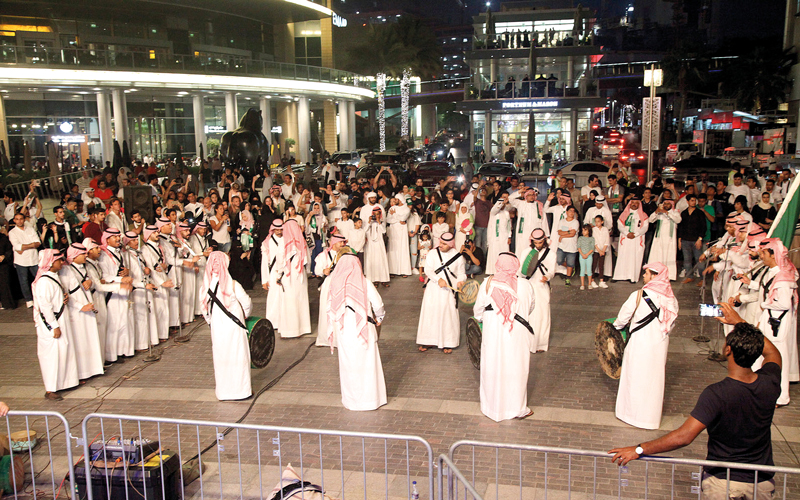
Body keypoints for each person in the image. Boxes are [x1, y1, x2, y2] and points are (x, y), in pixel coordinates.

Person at [609, 304, 781, 500]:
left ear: (727, 350)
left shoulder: (717, 394)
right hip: (762, 482)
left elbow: (684, 436)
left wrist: (639, 449)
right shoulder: (770, 382)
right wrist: (741, 323)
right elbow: (773, 353)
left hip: (722, 483)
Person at [612, 262, 678, 429]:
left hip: (639, 343)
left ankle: (630, 415)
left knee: (634, 377)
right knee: (653, 380)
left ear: (654, 276)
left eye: (646, 273)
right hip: (659, 345)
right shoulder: (671, 298)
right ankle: (649, 419)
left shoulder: (638, 295)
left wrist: (615, 328)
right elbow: (671, 324)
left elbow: (622, 318)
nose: (643, 275)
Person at [474, 252, 535, 421]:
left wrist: (486, 318)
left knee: (492, 366)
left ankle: (491, 408)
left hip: (492, 332)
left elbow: (478, 310)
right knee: (516, 368)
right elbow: (531, 307)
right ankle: (517, 409)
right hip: (517, 332)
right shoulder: (525, 284)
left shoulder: (487, 283)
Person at [327, 252, 387, 411]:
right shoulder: (365, 282)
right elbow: (378, 304)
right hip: (364, 328)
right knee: (367, 364)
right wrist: (380, 318)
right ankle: (370, 400)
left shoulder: (335, 283)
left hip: (344, 330)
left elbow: (330, 308)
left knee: (349, 364)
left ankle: (351, 401)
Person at [200, 251, 253, 401]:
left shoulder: (205, 287)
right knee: (238, 357)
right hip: (235, 327)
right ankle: (241, 391)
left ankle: (224, 392)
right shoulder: (233, 285)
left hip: (217, 329)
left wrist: (212, 322)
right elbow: (247, 304)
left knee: (221, 358)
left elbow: (204, 310)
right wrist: (244, 317)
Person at [756, 238, 799, 406]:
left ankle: (781, 396)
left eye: (763, 253)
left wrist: (763, 304)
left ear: (773, 255)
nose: (760, 256)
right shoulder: (773, 272)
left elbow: (784, 304)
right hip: (771, 320)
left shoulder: (783, 277)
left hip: (778, 323)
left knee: (779, 358)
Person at [32, 249, 79, 400]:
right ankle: (50, 389)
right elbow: (44, 306)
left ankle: (64, 383)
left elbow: (54, 299)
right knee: (51, 356)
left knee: (63, 351)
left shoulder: (54, 277)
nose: (61, 263)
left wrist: (62, 299)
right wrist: (54, 325)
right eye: (58, 260)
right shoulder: (44, 281)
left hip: (60, 319)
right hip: (51, 324)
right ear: (51, 263)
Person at [60, 243, 104, 381]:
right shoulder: (66, 271)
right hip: (77, 312)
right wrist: (80, 306)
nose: (86, 255)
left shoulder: (86, 266)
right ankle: (81, 373)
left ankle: (93, 369)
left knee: (90, 338)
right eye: (82, 254)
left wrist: (90, 281)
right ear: (74, 256)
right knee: (80, 341)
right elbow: (66, 295)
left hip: (88, 307)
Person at [416, 233, 466, 354]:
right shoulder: (433, 253)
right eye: (440, 242)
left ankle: (448, 342)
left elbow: (461, 273)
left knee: (447, 315)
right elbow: (428, 270)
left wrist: (460, 282)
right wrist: (438, 280)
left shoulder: (458, 257)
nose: (441, 245)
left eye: (444, 244)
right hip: (433, 289)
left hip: (449, 290)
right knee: (430, 313)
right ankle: (428, 340)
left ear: (450, 244)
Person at [518, 228, 557, 352]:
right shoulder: (526, 252)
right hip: (528, 285)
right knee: (528, 314)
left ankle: (540, 344)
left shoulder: (551, 254)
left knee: (543, 314)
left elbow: (552, 270)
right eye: (536, 243)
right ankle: (526, 343)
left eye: (540, 243)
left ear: (544, 241)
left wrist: (547, 276)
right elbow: (520, 270)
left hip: (541, 286)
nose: (538, 245)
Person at [98, 228, 134, 362]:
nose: (118, 239)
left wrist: (126, 272)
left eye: (119, 237)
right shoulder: (103, 255)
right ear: (107, 239)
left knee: (124, 321)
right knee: (114, 324)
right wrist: (120, 279)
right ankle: (112, 355)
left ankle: (123, 350)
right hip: (112, 293)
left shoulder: (121, 253)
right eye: (115, 237)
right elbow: (103, 276)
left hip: (122, 291)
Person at [277, 219, 312, 338]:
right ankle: (302, 328)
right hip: (300, 276)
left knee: (289, 302)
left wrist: (278, 275)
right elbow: (308, 260)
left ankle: (290, 331)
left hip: (289, 275)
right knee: (300, 301)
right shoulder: (302, 241)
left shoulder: (283, 241)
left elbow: (280, 260)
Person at [315, 233, 347, 348]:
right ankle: (325, 339)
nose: (343, 244)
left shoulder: (345, 255)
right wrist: (323, 271)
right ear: (334, 243)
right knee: (326, 310)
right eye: (341, 242)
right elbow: (317, 270)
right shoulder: (323, 256)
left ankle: (340, 339)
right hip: (328, 285)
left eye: (344, 242)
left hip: (342, 284)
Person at [612, 198, 649, 283]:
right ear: (629, 204)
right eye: (632, 203)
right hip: (626, 238)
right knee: (623, 256)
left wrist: (635, 234)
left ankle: (632, 277)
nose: (634, 204)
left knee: (634, 257)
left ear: (639, 204)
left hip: (636, 239)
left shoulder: (643, 215)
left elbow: (645, 227)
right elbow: (620, 225)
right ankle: (619, 276)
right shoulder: (624, 214)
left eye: (636, 203)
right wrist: (626, 233)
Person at [9, 212, 41, 307]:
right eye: (17, 219)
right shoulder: (12, 232)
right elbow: (17, 246)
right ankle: (28, 300)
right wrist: (31, 245)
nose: (19, 221)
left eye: (21, 219)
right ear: (14, 220)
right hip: (21, 261)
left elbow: (38, 242)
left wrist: (24, 246)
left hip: (34, 259)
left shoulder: (30, 229)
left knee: (38, 279)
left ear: (24, 220)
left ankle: (40, 297)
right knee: (24, 281)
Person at [646, 200, 682, 280]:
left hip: (670, 240)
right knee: (657, 256)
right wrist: (656, 212)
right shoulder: (659, 213)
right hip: (659, 239)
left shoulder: (675, 212)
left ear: (671, 205)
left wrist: (666, 212)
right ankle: (656, 274)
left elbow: (678, 220)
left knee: (669, 256)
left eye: (668, 204)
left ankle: (669, 276)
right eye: (664, 203)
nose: (666, 205)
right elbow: (650, 220)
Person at [261, 220, 285, 334]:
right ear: (273, 229)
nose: (279, 232)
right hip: (273, 272)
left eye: (281, 229)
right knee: (273, 298)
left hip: (284, 272)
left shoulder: (286, 240)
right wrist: (264, 280)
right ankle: (273, 322)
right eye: (277, 229)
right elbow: (265, 262)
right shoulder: (267, 242)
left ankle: (284, 322)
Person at [508, 186, 547, 256]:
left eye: (533, 195)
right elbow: (510, 198)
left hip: (535, 233)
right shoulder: (521, 204)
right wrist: (520, 192)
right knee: (522, 250)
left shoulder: (539, 205)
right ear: (526, 196)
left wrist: (545, 234)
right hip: (523, 233)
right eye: (529, 195)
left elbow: (544, 220)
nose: (531, 197)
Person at [386, 194, 412, 276]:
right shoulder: (392, 208)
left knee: (402, 249)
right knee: (393, 250)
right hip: (393, 231)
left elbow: (403, 218)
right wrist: (398, 219)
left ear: (399, 200)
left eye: (396, 199)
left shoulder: (406, 209)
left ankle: (404, 271)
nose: (394, 201)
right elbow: (388, 219)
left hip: (402, 232)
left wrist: (395, 215)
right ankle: (392, 271)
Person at [364, 207, 390, 286]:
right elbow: (365, 231)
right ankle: (375, 280)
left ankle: (383, 279)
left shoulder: (381, 223)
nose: (376, 216)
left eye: (378, 214)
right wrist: (369, 222)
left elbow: (384, 231)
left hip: (379, 243)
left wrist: (379, 222)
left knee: (381, 261)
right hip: (371, 244)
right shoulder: (369, 223)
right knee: (373, 261)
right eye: (374, 215)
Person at [486, 195, 511, 274]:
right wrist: (502, 200)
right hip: (494, 237)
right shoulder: (493, 213)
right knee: (494, 254)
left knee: (504, 254)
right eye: (500, 203)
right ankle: (493, 271)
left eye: (503, 203)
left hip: (504, 237)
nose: (502, 205)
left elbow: (509, 226)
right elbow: (495, 209)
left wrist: (509, 236)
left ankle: (504, 271)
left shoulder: (506, 213)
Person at [555, 206, 579, 286]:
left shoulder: (575, 222)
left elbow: (573, 234)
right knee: (559, 260)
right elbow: (559, 232)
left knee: (570, 263)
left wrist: (563, 235)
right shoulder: (562, 221)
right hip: (562, 245)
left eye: (573, 211)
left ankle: (568, 278)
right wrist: (568, 232)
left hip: (572, 246)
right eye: (570, 211)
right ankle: (571, 268)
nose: (572, 213)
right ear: (567, 212)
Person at [592, 216, 611, 287]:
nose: (597, 223)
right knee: (594, 265)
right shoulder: (593, 229)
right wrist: (599, 250)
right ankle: (592, 280)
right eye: (595, 221)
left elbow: (607, 240)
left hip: (603, 250)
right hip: (596, 250)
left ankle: (601, 281)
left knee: (601, 265)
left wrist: (603, 250)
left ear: (602, 222)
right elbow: (594, 241)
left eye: (598, 221)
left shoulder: (605, 229)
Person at [577, 224, 594, 290]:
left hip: (589, 256)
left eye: (585, 230)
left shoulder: (591, 239)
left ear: (589, 231)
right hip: (581, 256)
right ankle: (582, 284)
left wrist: (587, 254)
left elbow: (592, 248)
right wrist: (582, 254)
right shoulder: (580, 238)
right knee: (582, 270)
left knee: (589, 270)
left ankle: (589, 284)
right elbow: (578, 247)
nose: (583, 232)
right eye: (582, 230)